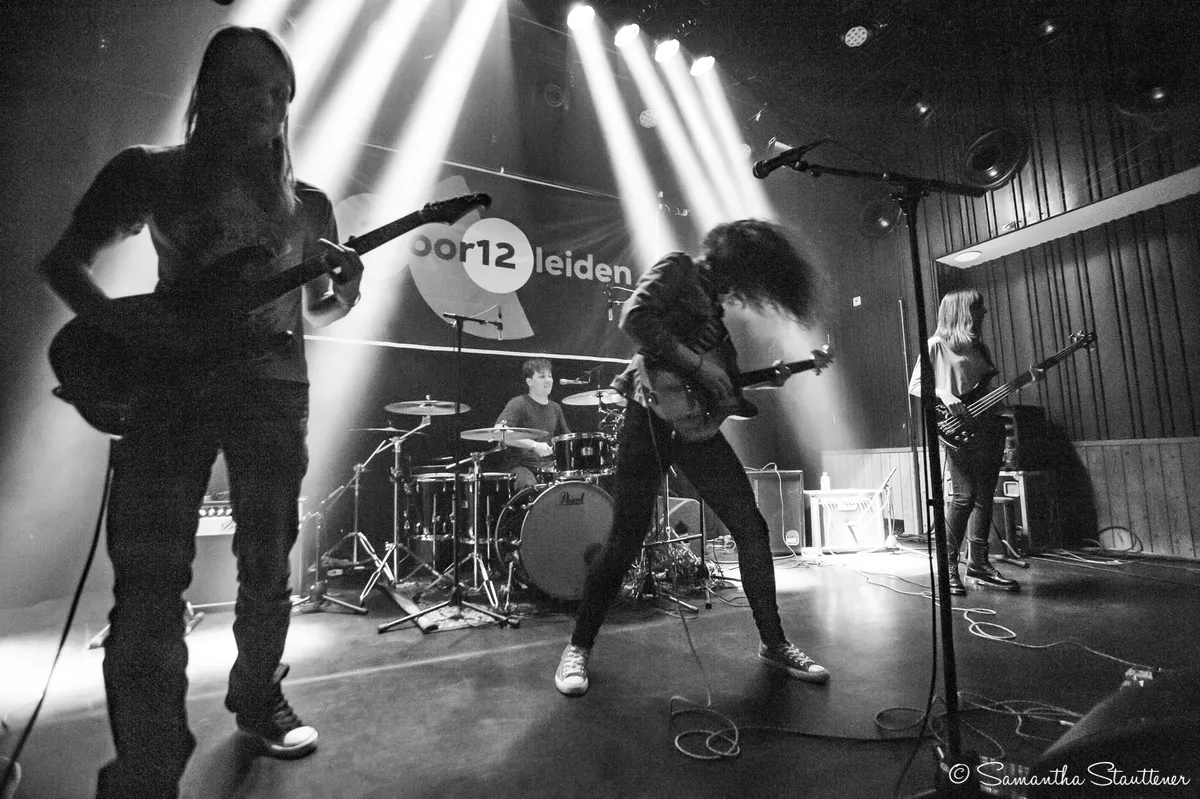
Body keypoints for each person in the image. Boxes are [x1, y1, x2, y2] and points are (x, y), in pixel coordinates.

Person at [39, 26, 364, 798]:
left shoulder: (310, 206)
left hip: (272, 394)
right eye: (251, 84)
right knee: (150, 582)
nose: (270, 104)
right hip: (171, 389)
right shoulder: (152, 173)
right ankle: (148, 760)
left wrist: (346, 291)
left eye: (281, 93)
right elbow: (63, 261)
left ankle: (257, 696)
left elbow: (319, 307)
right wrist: (123, 328)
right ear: (209, 90)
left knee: (267, 565)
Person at [554, 219, 830, 697]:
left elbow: (722, 388)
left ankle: (774, 642)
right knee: (625, 540)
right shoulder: (678, 269)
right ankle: (577, 647)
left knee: (751, 528)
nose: (741, 292)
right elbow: (635, 317)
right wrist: (697, 362)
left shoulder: (717, 323)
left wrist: (776, 375)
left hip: (694, 430)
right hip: (650, 417)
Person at [908, 288, 1028, 595]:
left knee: (985, 497)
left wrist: (1014, 389)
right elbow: (917, 385)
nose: (984, 313)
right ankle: (948, 568)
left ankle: (979, 565)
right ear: (961, 311)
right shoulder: (936, 346)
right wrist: (944, 393)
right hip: (957, 430)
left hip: (989, 427)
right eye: (977, 308)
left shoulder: (979, 349)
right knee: (964, 496)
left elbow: (984, 391)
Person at [494, 358, 570, 490]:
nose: (548, 380)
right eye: (542, 376)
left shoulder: (555, 408)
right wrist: (533, 445)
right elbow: (498, 433)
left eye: (550, 376)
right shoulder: (518, 403)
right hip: (521, 465)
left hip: (548, 466)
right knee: (529, 486)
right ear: (529, 381)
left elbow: (567, 440)